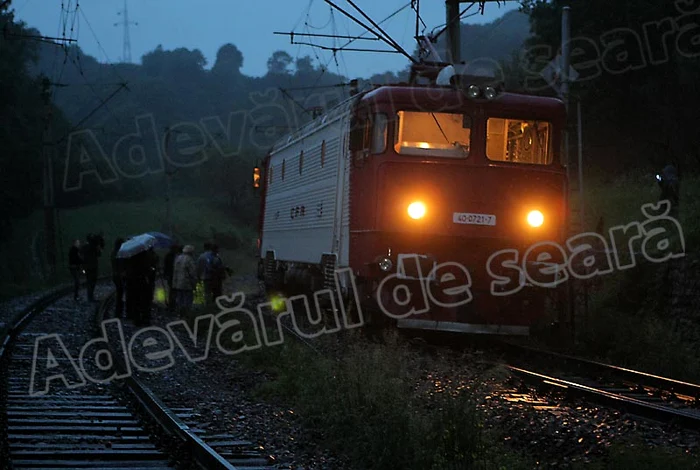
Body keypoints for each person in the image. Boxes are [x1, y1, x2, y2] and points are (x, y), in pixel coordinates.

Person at [173, 245, 197, 313]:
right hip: (187, 283)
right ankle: (187, 313)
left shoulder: (178, 258)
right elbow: (192, 272)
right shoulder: (189, 260)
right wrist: (194, 282)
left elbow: (175, 271)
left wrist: (174, 283)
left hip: (178, 283)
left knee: (180, 299)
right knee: (188, 299)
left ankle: (180, 312)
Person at [82, 233, 104, 302]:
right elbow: (99, 254)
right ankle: (90, 296)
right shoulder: (94, 247)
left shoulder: (84, 247)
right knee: (93, 281)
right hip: (93, 266)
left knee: (89, 281)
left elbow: (81, 254)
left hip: (87, 266)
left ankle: (90, 296)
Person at [163, 244, 181, 312]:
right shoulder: (170, 256)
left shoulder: (175, 256)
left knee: (173, 290)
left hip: (174, 275)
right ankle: (172, 304)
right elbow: (166, 266)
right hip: (172, 275)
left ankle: (173, 304)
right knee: (172, 290)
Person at [111, 238, 126, 318]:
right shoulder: (121, 253)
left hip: (115, 275)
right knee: (120, 294)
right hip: (120, 275)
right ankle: (119, 312)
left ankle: (118, 312)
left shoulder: (113, 252)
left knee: (119, 294)